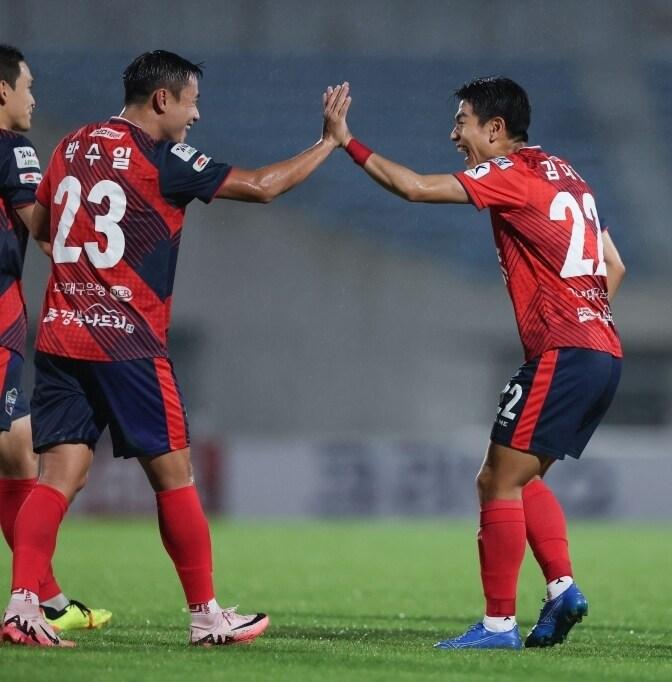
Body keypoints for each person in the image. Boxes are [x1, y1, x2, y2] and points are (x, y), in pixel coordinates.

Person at [1, 50, 350, 648]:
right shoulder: (160, 158)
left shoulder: (71, 143)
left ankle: (22, 607)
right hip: (130, 341)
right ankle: (206, 615)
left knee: (57, 475)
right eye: (190, 101)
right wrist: (329, 143)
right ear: (162, 99)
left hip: (62, 334)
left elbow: (42, 225)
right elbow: (263, 187)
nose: (196, 114)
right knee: (175, 476)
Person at [335, 76, 624, 649]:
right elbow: (613, 264)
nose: (454, 133)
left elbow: (416, 188)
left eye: (462, 121)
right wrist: (582, 318)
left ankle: (498, 625)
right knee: (521, 476)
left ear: (496, 130)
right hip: (601, 349)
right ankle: (562, 588)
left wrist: (347, 141)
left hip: (565, 351)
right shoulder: (567, 173)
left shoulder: (510, 172)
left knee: (496, 481)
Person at [0, 44, 112, 633]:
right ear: (2, 91)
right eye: (27, 86)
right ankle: (33, 605)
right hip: (0, 317)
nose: (33, 98)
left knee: (17, 448)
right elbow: (46, 229)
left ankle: (44, 597)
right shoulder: (15, 147)